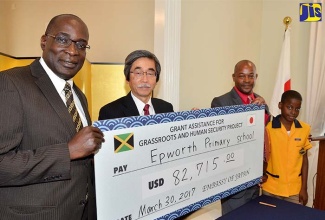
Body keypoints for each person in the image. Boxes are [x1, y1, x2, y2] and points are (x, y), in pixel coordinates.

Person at [0, 14, 104, 220]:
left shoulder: (78, 96)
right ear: (44, 41)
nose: (73, 51)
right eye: (63, 40)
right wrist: (68, 151)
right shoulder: (11, 83)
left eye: (81, 45)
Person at [211, 60, 269, 215]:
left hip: (255, 178)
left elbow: (267, 136)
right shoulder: (221, 102)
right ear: (233, 77)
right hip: (233, 179)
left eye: (251, 76)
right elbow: (220, 139)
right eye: (242, 76)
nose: (247, 80)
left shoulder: (261, 102)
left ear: (256, 77)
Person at [262, 90, 312, 205]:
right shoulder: (268, 129)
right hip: (271, 188)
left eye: (297, 109)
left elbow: (304, 160)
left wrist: (304, 188)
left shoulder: (304, 129)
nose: (293, 112)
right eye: (289, 107)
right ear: (280, 105)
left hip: (295, 190)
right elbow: (264, 157)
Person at [98, 50, 173, 120]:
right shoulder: (110, 112)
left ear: (156, 80)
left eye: (150, 73)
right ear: (127, 79)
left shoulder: (166, 108)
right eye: (138, 73)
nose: (145, 80)